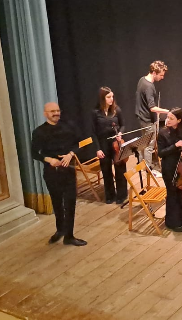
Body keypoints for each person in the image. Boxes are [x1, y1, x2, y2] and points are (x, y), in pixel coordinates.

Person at [31, 102, 87, 246]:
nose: (56, 113)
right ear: (45, 114)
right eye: (52, 111)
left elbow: (81, 143)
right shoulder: (39, 132)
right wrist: (49, 159)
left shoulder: (69, 126)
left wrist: (71, 154)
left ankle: (69, 236)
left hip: (68, 170)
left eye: (57, 110)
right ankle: (60, 230)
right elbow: (34, 153)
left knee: (70, 203)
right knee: (57, 203)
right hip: (52, 173)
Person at [91, 87, 127, 204]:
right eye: (108, 97)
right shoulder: (95, 113)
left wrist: (120, 133)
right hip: (103, 144)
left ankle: (122, 194)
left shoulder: (117, 110)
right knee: (106, 171)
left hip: (116, 144)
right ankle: (110, 195)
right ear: (102, 98)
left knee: (120, 169)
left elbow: (122, 125)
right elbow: (93, 132)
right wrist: (98, 149)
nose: (111, 99)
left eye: (112, 96)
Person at [135, 60, 170, 177]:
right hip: (148, 120)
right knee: (149, 146)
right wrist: (167, 111)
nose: (162, 77)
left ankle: (141, 165)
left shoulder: (142, 80)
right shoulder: (149, 86)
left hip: (141, 118)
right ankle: (149, 169)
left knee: (143, 144)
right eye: (161, 75)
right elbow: (152, 107)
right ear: (154, 73)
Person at [157, 107, 182, 232]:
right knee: (172, 194)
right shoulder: (162, 133)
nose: (168, 120)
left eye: (171, 118)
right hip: (168, 167)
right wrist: (175, 146)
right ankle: (172, 223)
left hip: (180, 167)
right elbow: (161, 153)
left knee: (179, 192)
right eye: (168, 117)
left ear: (179, 120)